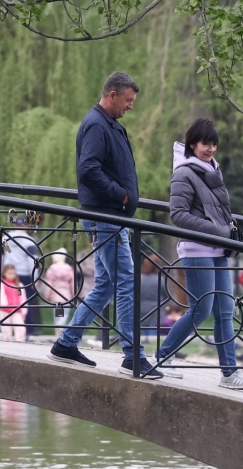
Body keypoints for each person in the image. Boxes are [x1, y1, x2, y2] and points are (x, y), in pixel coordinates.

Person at [49, 73, 168, 378]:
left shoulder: (105, 124)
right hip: (106, 217)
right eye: (128, 100)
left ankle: (67, 342)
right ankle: (133, 355)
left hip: (110, 217)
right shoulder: (97, 125)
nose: (131, 106)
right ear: (112, 95)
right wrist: (121, 194)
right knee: (126, 281)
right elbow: (88, 169)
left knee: (107, 284)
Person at [157, 120, 243, 390]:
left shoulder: (214, 171)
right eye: (205, 144)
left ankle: (229, 373)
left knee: (225, 311)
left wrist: (223, 232)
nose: (210, 148)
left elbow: (219, 210)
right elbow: (177, 214)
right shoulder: (184, 173)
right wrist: (215, 230)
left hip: (218, 249)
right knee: (200, 310)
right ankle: (162, 356)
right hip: (196, 249)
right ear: (193, 144)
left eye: (214, 144)